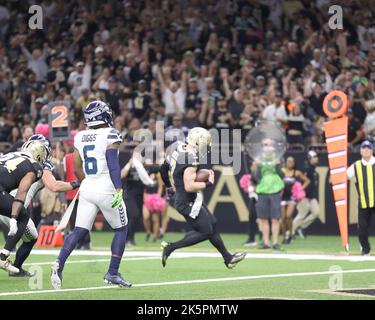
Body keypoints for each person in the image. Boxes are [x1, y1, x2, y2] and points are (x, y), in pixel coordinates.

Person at [51, 101, 131, 289]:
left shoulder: (80, 136)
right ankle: (112, 272)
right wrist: (118, 188)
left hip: (87, 186)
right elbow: (112, 163)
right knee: (121, 229)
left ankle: (59, 262)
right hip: (107, 187)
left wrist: (87, 182)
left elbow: (77, 167)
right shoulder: (111, 134)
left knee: (79, 229)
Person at [160, 127, 246, 269]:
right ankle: (170, 247)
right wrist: (208, 184)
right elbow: (189, 186)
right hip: (186, 201)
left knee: (212, 223)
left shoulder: (178, 146)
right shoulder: (191, 158)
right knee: (205, 231)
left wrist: (169, 187)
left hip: (189, 198)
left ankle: (228, 258)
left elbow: (163, 168)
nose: (205, 147)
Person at [0, 134, 80, 277]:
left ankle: (13, 265)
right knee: (29, 232)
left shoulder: (15, 154)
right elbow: (53, 185)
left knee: (29, 234)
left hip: (6, 197)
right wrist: (77, 183)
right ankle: (6, 259)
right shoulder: (39, 163)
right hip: (12, 204)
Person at [0, 140, 48, 273]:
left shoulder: (12, 155)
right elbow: (21, 192)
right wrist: (14, 218)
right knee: (23, 215)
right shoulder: (35, 167)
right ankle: (3, 256)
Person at [252, 138, 285, 251]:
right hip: (262, 190)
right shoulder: (258, 159)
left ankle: (275, 242)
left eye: (270, 145)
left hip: (275, 190)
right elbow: (256, 177)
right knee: (263, 218)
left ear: (274, 147)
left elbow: (282, 175)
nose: (268, 147)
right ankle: (266, 243)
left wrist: (277, 166)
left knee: (275, 218)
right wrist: (256, 167)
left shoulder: (279, 158)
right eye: (265, 145)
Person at [347, 140, 375, 255]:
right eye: (364, 148)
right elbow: (344, 177)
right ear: (360, 151)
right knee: (362, 228)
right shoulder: (356, 166)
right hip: (363, 202)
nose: (366, 150)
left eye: (368, 148)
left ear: (372, 150)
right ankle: (365, 249)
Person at [280, 156, 310, 244]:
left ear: (294, 163)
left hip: (292, 197)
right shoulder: (282, 171)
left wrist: (300, 189)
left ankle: (290, 235)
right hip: (282, 197)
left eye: (291, 162)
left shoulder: (296, 173)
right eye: (288, 161)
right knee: (283, 218)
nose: (289, 163)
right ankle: (284, 237)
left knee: (289, 216)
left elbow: (307, 181)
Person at [293, 150, 320, 239]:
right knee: (301, 214)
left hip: (311, 196)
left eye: (316, 157)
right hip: (304, 196)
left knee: (316, 212)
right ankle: (290, 233)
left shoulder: (313, 168)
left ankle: (301, 227)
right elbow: (302, 183)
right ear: (309, 159)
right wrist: (305, 195)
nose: (317, 158)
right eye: (314, 157)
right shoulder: (306, 168)